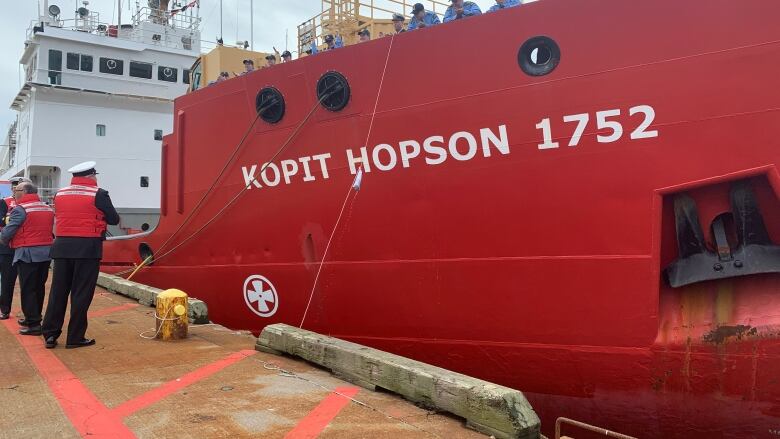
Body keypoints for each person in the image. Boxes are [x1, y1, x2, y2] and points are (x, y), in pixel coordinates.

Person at [42, 161, 120, 349]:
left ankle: (50, 335)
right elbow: (114, 219)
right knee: (81, 293)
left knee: (58, 292)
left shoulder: (59, 194)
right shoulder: (99, 194)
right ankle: (75, 337)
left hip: (61, 247)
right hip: (87, 248)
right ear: (91, 176)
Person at [0, 182, 53, 336]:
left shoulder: (21, 210)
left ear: (24, 191)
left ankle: (33, 324)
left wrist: (5, 240)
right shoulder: (46, 207)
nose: (14, 192)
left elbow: (6, 234)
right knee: (39, 287)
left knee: (28, 289)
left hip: (27, 254)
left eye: (16, 190)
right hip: (46, 253)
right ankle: (34, 317)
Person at [0, 176, 31, 321]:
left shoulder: (32, 204)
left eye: (18, 186)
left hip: (26, 247)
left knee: (28, 283)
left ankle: (29, 314)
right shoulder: (4, 202)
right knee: (7, 281)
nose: (15, 188)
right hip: (8, 249)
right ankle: (4, 310)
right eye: (14, 186)